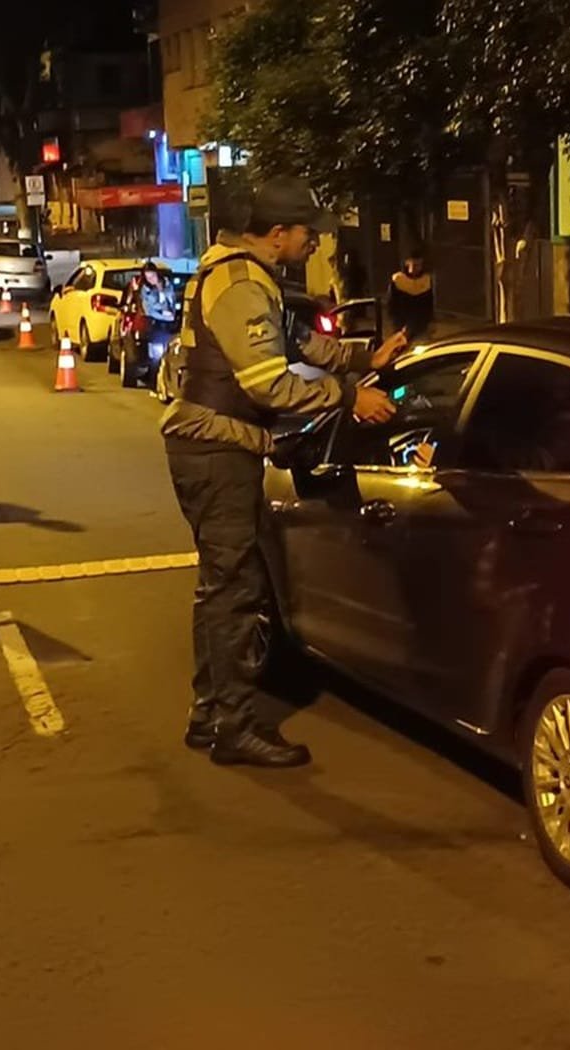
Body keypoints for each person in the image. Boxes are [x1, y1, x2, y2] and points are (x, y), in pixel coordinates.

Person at [162, 176, 407, 768]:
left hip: (212, 446)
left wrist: (357, 357)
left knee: (219, 585)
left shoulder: (244, 273)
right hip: (217, 449)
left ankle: (209, 713)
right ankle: (233, 725)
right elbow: (266, 381)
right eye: (308, 235)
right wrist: (349, 398)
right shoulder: (242, 283)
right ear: (279, 233)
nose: (315, 246)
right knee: (236, 589)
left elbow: (292, 340)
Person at [387, 249, 434, 338]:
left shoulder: (426, 280)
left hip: (421, 324)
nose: (417, 268)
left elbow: (429, 303)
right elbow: (392, 304)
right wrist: (397, 323)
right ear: (407, 264)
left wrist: (429, 321)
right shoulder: (398, 279)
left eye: (419, 265)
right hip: (401, 323)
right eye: (414, 265)